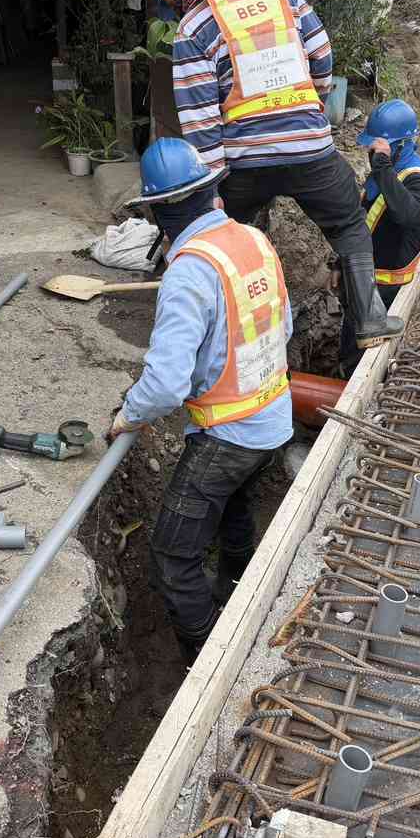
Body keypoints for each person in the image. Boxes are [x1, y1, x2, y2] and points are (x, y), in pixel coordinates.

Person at [145, 0, 403, 353]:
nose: (173, 9)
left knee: (225, 237)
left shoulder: (193, 26)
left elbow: (201, 123)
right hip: (309, 152)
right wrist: (309, 112)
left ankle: (224, 325)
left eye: (169, 2)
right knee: (348, 223)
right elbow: (322, 56)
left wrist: (214, 193)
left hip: (245, 165)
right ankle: (370, 318)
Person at [108, 138, 293, 665]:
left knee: (172, 552)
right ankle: (237, 592)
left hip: (230, 434)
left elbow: (166, 384)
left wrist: (129, 414)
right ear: (211, 191)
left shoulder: (189, 271)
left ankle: (205, 653)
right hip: (275, 418)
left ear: (157, 212)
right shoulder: (254, 240)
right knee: (234, 515)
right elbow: (284, 323)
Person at [340, 100, 420, 373]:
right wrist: (340, 265)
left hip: (389, 295)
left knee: (364, 366)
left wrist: (383, 168)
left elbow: (408, 214)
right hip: (364, 287)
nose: (372, 154)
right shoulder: (381, 176)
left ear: (402, 145)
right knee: (348, 351)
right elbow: (361, 222)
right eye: (372, 149)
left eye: (379, 149)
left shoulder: (416, 179)